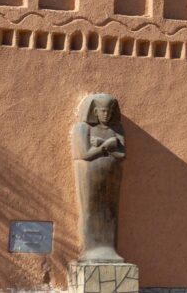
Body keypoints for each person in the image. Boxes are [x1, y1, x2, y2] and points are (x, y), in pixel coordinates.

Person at [71, 93, 127, 262]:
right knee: (91, 210)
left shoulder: (117, 130)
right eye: (103, 111)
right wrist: (106, 146)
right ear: (95, 111)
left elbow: (122, 154)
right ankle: (91, 249)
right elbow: (85, 154)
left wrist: (107, 146)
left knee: (110, 211)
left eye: (109, 112)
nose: (106, 115)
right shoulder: (84, 129)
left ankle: (110, 250)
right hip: (89, 175)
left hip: (113, 174)